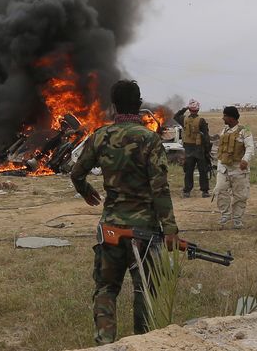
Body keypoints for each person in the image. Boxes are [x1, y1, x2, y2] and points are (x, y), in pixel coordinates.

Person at [70, 80, 178, 345]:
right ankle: (143, 343)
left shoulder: (100, 136)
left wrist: (86, 191)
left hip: (110, 229)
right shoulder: (149, 139)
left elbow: (76, 172)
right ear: (139, 105)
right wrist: (171, 228)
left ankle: (105, 342)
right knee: (145, 289)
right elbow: (160, 189)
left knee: (106, 288)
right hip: (145, 230)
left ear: (113, 105)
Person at [214, 106, 255, 229]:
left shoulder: (245, 130)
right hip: (224, 168)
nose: (223, 118)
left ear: (231, 118)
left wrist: (245, 160)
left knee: (240, 195)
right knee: (220, 191)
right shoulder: (224, 130)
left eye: (225, 116)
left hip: (238, 169)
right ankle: (225, 215)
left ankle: (237, 219)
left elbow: (250, 148)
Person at [173, 99, 211, 197]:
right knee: (203, 170)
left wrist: (184, 108)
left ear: (189, 110)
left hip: (188, 149)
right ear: (198, 110)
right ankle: (205, 191)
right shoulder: (201, 121)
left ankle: (187, 191)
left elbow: (175, 116)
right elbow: (206, 137)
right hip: (199, 149)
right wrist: (207, 150)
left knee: (188, 171)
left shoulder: (184, 119)